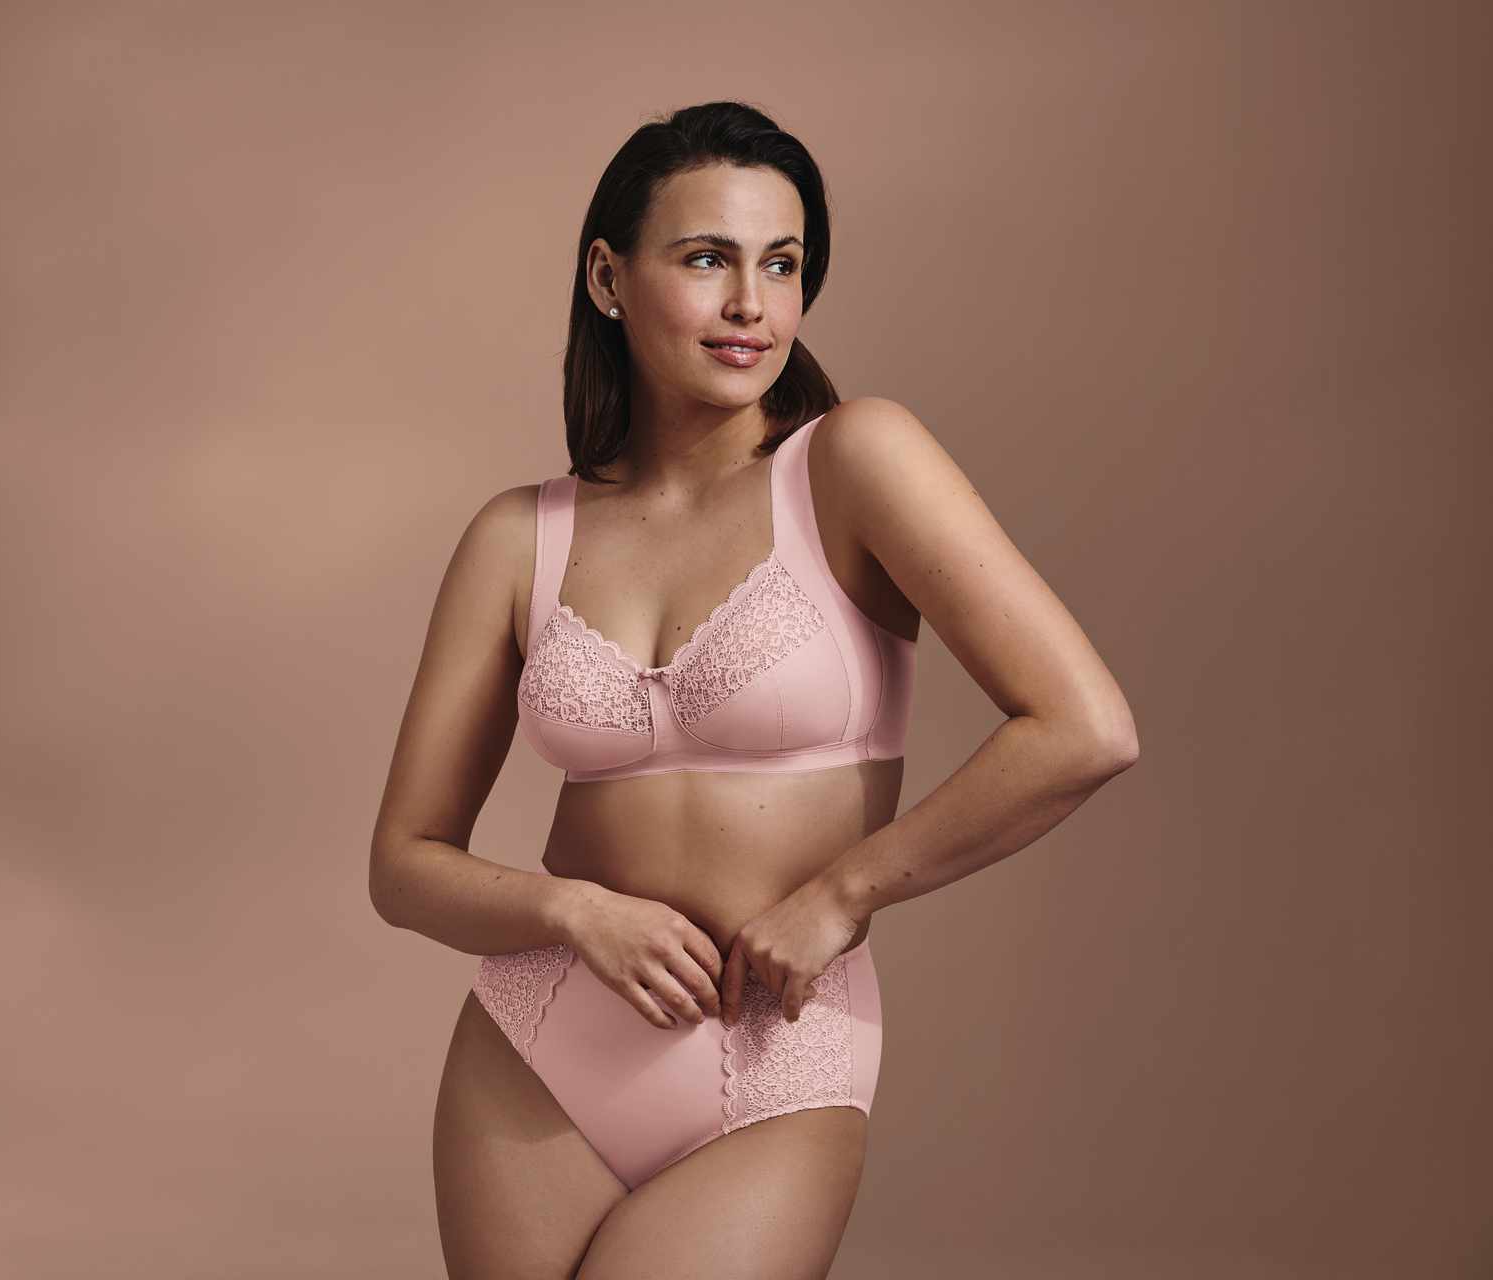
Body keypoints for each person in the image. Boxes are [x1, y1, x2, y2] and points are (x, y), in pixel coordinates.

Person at [368, 100, 1139, 1280]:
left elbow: (1085, 728)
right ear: (608, 277)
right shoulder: (518, 536)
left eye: (782, 265)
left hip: (777, 1055)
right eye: (707, 259)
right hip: (535, 1047)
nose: (751, 305)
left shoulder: (854, 461)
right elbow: (405, 862)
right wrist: (576, 912)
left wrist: (843, 891)